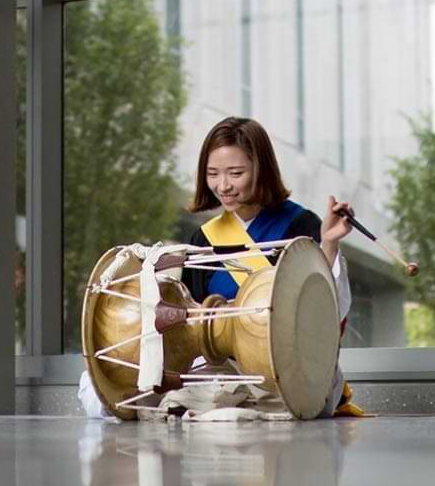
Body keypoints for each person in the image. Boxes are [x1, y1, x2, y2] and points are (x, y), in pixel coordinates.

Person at [78, 116, 366, 418]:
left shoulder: (300, 226)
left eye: (236, 173)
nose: (223, 186)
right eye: (213, 174)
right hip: (222, 365)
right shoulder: (203, 238)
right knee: (103, 385)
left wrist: (330, 244)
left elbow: (328, 317)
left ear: (262, 170)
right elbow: (194, 323)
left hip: (283, 365)